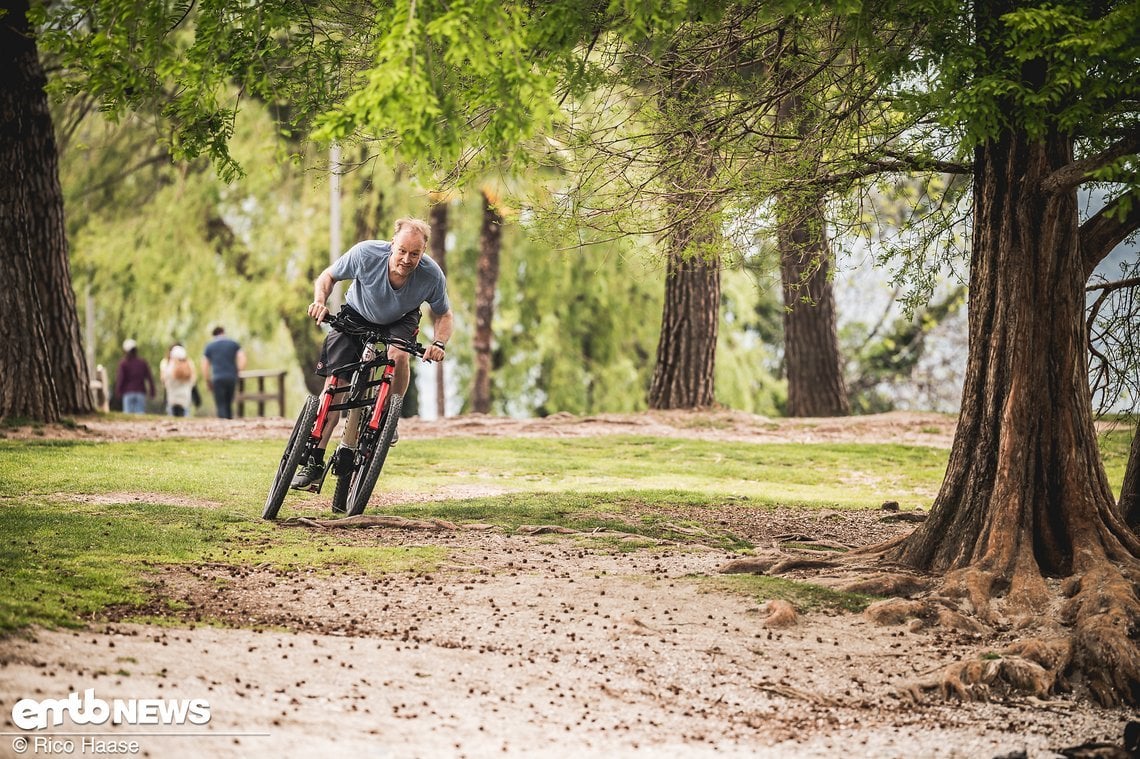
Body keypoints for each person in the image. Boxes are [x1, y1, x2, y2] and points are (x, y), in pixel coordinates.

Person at [291, 216, 453, 489]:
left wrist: (438, 343)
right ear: (392, 244)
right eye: (402, 251)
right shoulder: (366, 253)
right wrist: (320, 301)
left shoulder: (431, 275)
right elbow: (328, 276)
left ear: (423, 252)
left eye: (415, 253)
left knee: (399, 355)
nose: (406, 259)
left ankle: (389, 413)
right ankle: (314, 462)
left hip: (401, 319)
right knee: (336, 385)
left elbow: (443, 314)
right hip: (357, 313)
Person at [201, 326, 247, 419]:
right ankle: (229, 421)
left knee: (220, 403)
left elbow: (204, 364)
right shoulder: (233, 344)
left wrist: (207, 379)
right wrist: (238, 370)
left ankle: (223, 424)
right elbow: (242, 358)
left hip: (217, 378)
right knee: (229, 402)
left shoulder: (210, 346)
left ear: (214, 335)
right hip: (231, 377)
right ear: (223, 332)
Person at [114, 339, 155, 414]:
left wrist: (118, 391)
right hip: (140, 392)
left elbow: (120, 379)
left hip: (128, 393)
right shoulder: (142, 362)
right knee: (140, 414)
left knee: (128, 414)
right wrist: (152, 391)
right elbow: (149, 378)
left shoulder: (124, 363)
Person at [161, 344, 197, 417]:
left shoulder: (169, 365)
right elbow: (193, 380)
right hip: (185, 396)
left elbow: (164, 379)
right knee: (185, 415)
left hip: (172, 397)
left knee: (172, 416)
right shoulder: (189, 364)